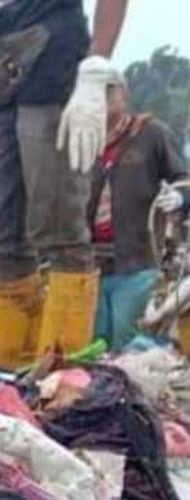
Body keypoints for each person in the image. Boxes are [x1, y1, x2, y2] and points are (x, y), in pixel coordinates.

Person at [0, 0, 130, 369]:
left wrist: (96, 69)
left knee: (58, 228)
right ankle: (15, 368)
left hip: (53, 67)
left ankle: (62, 372)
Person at [89, 72, 189, 351]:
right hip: (89, 265)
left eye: (109, 92)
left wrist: (179, 198)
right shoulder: (83, 140)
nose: (102, 101)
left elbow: (184, 180)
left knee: (129, 342)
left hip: (136, 261)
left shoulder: (151, 135)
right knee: (93, 345)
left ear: (124, 93)